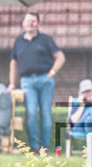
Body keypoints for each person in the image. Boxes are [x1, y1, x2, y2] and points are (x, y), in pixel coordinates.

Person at [7, 11, 65, 152]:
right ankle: (34, 146)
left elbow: (60, 57)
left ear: (38, 24)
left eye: (33, 21)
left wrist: (52, 73)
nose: (30, 23)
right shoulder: (18, 41)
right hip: (27, 81)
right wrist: (12, 83)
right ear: (23, 23)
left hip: (45, 80)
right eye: (27, 20)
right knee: (31, 113)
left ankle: (44, 146)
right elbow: (13, 63)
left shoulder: (46, 39)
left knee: (45, 112)